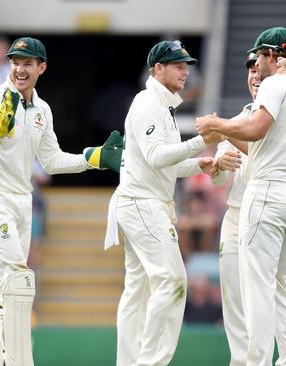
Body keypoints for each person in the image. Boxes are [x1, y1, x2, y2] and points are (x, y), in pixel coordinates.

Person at [0, 36, 122, 366]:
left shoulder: (42, 110)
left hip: (23, 203)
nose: (20, 69)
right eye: (15, 62)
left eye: (27, 63)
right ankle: (20, 360)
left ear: (42, 67)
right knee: (17, 275)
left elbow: (51, 160)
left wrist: (92, 158)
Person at [196, 26, 286, 366]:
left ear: (272, 56)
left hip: (266, 197)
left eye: (259, 59)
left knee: (258, 290)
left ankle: (260, 362)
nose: (256, 69)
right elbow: (258, 141)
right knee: (277, 289)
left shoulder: (276, 85)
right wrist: (220, 156)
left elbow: (256, 130)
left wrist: (216, 124)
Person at [111, 40, 221, 366]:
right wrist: (203, 141)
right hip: (143, 204)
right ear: (157, 69)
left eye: (186, 64)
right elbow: (157, 157)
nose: (186, 71)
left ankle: (130, 362)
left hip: (142, 202)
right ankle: (151, 361)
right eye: (178, 65)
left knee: (138, 291)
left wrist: (199, 163)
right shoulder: (148, 104)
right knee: (172, 281)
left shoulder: (163, 106)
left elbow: (166, 165)